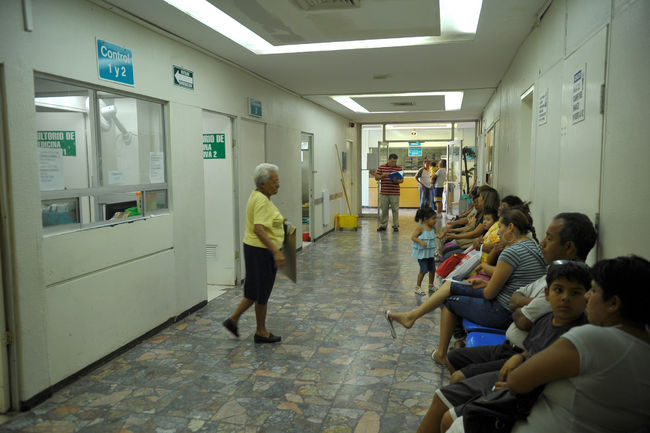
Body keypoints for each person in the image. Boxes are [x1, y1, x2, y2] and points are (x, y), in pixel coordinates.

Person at [447, 255, 650, 433]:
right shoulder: (642, 349)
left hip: (533, 422)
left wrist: (517, 369)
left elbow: (517, 381)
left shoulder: (591, 338)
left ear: (613, 304)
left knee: (454, 422)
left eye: (593, 291)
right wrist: (521, 357)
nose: (587, 297)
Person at [418, 261, 592, 433]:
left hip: (522, 391)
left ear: (587, 297)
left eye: (575, 293)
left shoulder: (576, 336)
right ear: (547, 294)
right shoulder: (547, 319)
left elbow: (543, 380)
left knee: (448, 418)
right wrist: (520, 357)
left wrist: (514, 381)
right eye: (559, 290)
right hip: (513, 363)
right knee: (442, 394)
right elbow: (530, 349)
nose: (565, 298)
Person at [448, 212, 597, 383]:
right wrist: (525, 302)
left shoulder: (565, 287)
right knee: (454, 358)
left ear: (569, 247)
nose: (542, 243)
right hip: (509, 346)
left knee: (458, 376)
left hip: (521, 354)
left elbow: (523, 319)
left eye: (549, 238)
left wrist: (520, 304)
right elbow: (515, 296)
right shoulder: (552, 272)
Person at [386, 207, 546, 363]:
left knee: (449, 301)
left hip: (503, 311)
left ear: (511, 227)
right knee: (451, 284)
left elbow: (489, 293)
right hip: (512, 305)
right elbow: (511, 280)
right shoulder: (532, 245)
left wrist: (486, 283)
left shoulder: (512, 252)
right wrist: (485, 282)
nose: (497, 233)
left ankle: (441, 352)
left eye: (500, 228)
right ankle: (411, 317)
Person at [223, 163, 286, 344]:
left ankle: (232, 321)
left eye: (278, 181)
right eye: (274, 182)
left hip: (254, 249)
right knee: (262, 293)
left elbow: (262, 222)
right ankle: (261, 332)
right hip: (261, 252)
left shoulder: (259, 195)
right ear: (263, 183)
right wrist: (276, 252)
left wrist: (278, 222)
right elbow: (258, 228)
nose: (278, 185)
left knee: (252, 292)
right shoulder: (261, 200)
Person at [411, 207, 440, 296]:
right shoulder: (420, 228)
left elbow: (440, 236)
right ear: (426, 219)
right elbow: (413, 237)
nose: (435, 221)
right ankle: (417, 287)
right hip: (422, 254)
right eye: (433, 218)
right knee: (423, 270)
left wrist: (447, 231)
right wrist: (420, 241)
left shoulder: (433, 228)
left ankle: (431, 285)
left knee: (432, 269)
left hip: (430, 254)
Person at [375, 153, 403, 232]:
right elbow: (376, 178)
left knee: (395, 210)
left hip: (395, 193)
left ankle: (395, 226)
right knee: (384, 210)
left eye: (395, 161)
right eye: (392, 161)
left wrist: (395, 180)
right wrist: (383, 175)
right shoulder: (381, 167)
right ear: (388, 160)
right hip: (384, 193)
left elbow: (401, 180)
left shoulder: (399, 168)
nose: (394, 163)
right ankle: (383, 225)